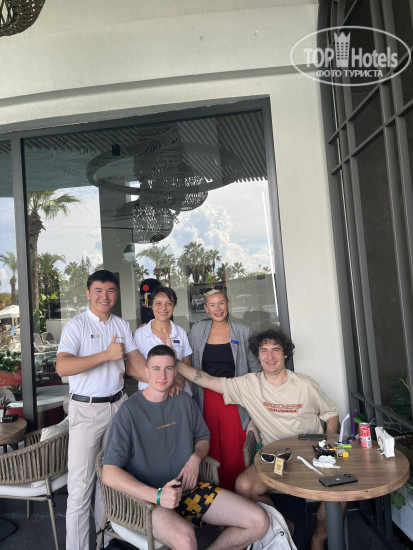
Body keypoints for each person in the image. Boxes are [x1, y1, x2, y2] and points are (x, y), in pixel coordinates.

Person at [177, 328, 339, 550]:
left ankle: (318, 538)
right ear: (258, 355)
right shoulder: (249, 384)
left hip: (312, 454)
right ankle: (284, 526)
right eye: (264, 350)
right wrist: (173, 363)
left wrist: (329, 444)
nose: (269, 356)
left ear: (285, 354)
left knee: (341, 489)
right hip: (278, 458)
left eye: (275, 350)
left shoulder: (305, 384)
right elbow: (206, 379)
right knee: (244, 485)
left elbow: (331, 413)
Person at [102, 344, 270, 550]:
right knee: (186, 540)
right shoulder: (129, 411)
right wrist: (157, 495)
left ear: (175, 371)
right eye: (156, 368)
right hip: (148, 500)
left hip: (188, 491)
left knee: (259, 520)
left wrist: (196, 457)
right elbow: (109, 473)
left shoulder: (184, 400)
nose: (162, 375)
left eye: (168, 368)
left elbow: (203, 438)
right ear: (147, 372)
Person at [56, 269, 148, 550]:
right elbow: (63, 367)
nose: (104, 296)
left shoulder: (121, 325)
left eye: (110, 291)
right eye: (98, 290)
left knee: (109, 480)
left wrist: (162, 377)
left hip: (118, 406)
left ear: (116, 294)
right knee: (80, 488)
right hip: (86, 410)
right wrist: (106, 355)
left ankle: (104, 541)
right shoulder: (76, 325)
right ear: (88, 293)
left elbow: (135, 363)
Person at [188, 288, 261, 490]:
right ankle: (214, 496)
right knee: (210, 447)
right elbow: (185, 356)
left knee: (234, 448)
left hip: (234, 396)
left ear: (228, 304)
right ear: (206, 309)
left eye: (221, 303)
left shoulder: (242, 330)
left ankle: (239, 492)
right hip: (206, 397)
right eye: (212, 305)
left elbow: (255, 367)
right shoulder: (197, 331)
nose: (217, 308)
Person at [134, 285, 192, 394]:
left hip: (179, 393)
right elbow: (132, 368)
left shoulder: (181, 332)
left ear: (174, 306)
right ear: (151, 305)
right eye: (158, 303)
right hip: (150, 394)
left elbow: (187, 361)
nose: (164, 308)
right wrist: (165, 383)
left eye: (169, 303)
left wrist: (182, 378)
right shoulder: (140, 334)